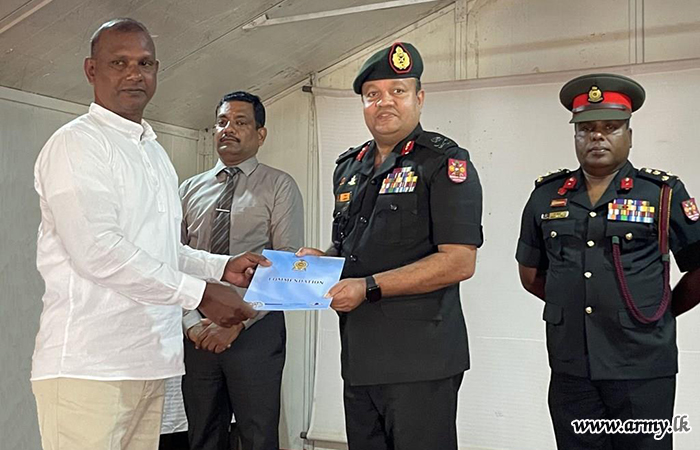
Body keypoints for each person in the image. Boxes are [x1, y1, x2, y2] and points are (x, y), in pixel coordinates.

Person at [30, 18, 265, 450]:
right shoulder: (77, 144)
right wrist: (200, 293)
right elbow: (99, 251)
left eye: (145, 63)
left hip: (149, 362)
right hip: (89, 366)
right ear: (91, 70)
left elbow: (160, 250)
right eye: (118, 62)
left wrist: (222, 267)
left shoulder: (153, 152)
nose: (134, 74)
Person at [297, 42, 483, 450]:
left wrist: (368, 287)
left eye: (397, 91)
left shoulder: (445, 163)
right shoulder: (349, 167)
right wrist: (322, 260)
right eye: (373, 94)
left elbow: (458, 261)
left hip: (420, 362)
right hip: (360, 357)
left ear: (419, 98)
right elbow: (353, 249)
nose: (384, 102)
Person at [516, 73, 700, 450]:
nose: (597, 137)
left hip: (642, 365)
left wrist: (658, 311)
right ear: (575, 136)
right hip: (572, 366)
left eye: (610, 127)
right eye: (586, 129)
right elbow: (531, 274)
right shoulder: (546, 196)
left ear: (629, 135)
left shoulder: (662, 193)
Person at [179, 91, 304, 450]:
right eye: (222, 122)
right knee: (202, 435)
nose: (228, 129)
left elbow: (285, 261)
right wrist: (190, 323)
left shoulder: (279, 185)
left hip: (255, 330)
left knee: (257, 436)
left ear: (260, 134)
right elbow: (172, 259)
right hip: (198, 332)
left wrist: (236, 322)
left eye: (240, 122)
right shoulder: (188, 189)